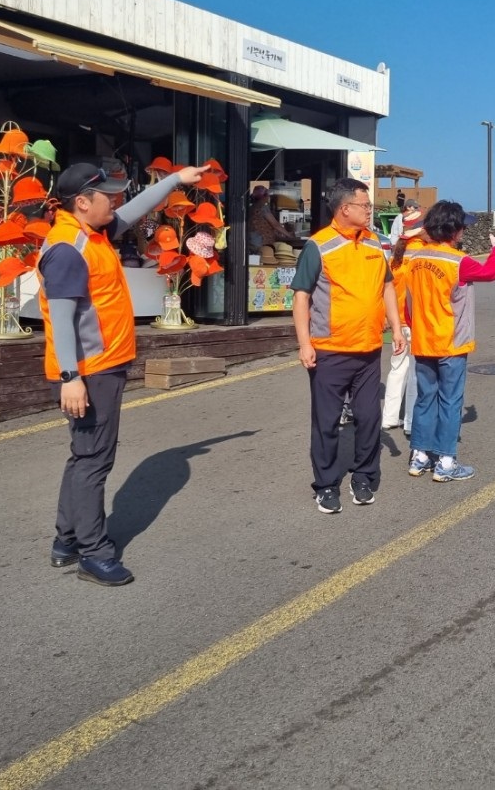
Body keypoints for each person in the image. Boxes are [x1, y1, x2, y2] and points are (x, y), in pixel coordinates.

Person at [39, 160, 209, 586]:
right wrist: (69, 377)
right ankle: (94, 553)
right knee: (94, 459)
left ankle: (67, 539)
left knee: (84, 455)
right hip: (90, 371)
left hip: (102, 365)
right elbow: (61, 319)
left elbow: (132, 211)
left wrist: (174, 181)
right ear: (81, 202)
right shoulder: (67, 249)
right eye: (106, 197)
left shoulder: (90, 233)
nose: (115, 204)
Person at [291, 178, 407, 514]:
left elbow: (387, 287)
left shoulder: (375, 243)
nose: (370, 210)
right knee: (326, 423)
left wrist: (396, 329)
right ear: (345, 209)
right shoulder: (319, 246)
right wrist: (304, 344)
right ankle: (326, 485)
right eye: (365, 205)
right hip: (330, 350)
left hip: (369, 349)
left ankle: (364, 476)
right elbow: (301, 297)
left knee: (369, 417)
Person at [405, 201, 495, 480]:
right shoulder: (457, 262)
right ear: (454, 230)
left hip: (424, 339)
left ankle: (420, 455)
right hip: (451, 340)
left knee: (425, 398)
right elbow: (492, 272)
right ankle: (446, 461)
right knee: (450, 400)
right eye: (462, 226)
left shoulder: (415, 258)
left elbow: (407, 300)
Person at [381, 209, 424, 433]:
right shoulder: (421, 253)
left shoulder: (396, 256)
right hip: (414, 320)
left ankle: (389, 416)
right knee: (416, 372)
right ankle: (410, 421)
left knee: (397, 368)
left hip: (397, 320)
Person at [247, 185, 300, 253]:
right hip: (262, 243)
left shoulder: (251, 208)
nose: (269, 197)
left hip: (252, 241)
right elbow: (275, 225)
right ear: (264, 196)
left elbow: (265, 226)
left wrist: (279, 235)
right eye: (268, 195)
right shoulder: (263, 207)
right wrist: (288, 235)